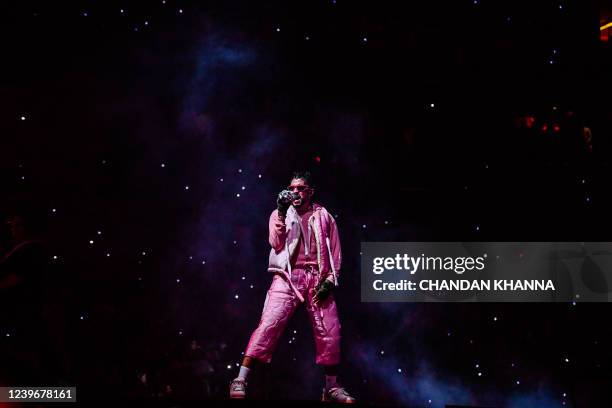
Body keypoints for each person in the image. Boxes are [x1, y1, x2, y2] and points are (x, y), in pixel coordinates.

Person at [229, 171, 355, 403]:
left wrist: (329, 281)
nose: (295, 192)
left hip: (317, 278)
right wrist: (280, 211)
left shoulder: (324, 216)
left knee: (330, 330)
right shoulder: (281, 214)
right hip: (288, 276)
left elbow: (335, 252)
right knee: (269, 323)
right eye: (292, 188)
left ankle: (331, 386)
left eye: (300, 188)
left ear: (310, 191)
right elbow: (275, 243)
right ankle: (240, 378)